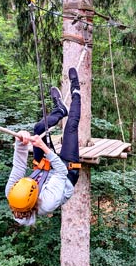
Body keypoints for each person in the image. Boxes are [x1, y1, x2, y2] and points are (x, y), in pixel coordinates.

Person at [5, 67, 81, 226]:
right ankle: (76, 90)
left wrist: (21, 140)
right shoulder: (47, 203)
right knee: (71, 127)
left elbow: (19, 166)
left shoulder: (11, 193)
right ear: (33, 201)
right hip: (66, 174)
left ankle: (60, 110)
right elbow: (61, 171)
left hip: (42, 172)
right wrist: (45, 149)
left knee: (39, 129)